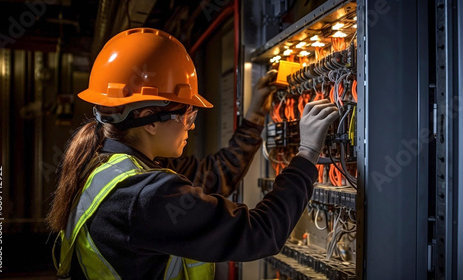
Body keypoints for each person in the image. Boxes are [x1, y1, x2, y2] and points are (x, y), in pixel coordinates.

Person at [47, 27, 339, 280]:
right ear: (149, 119)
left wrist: (255, 115)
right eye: (187, 113)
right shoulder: (144, 194)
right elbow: (261, 233)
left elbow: (213, 177)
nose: (192, 123)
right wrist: (308, 152)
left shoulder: (104, 166)